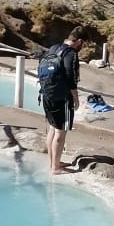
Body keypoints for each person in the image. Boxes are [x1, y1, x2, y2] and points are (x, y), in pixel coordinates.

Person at [38, 28, 84, 174]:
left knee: (52, 128)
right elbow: (70, 76)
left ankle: (53, 162)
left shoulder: (54, 48)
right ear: (79, 41)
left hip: (46, 94)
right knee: (61, 132)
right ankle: (55, 168)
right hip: (62, 97)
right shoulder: (70, 53)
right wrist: (76, 98)